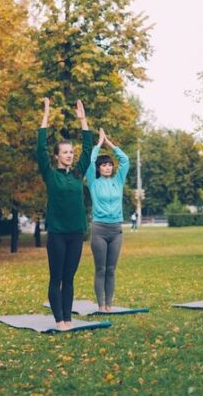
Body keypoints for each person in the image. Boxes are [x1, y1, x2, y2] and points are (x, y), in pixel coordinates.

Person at [36, 97, 92, 330]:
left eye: (71, 152)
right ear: (57, 155)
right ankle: (59, 320)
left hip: (77, 233)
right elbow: (40, 148)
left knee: (69, 279)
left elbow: (88, 149)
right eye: (65, 152)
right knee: (56, 278)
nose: (70, 155)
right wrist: (46, 116)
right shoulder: (50, 174)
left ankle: (68, 318)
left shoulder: (78, 174)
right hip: (58, 234)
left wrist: (83, 121)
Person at [86, 128, 130, 312]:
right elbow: (88, 160)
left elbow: (125, 160)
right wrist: (98, 144)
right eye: (103, 165)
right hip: (99, 230)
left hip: (116, 230)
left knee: (111, 269)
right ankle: (101, 304)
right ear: (98, 168)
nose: (107, 167)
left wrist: (109, 143)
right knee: (101, 269)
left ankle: (110, 304)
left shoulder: (118, 181)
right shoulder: (93, 182)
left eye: (109, 165)